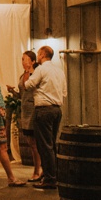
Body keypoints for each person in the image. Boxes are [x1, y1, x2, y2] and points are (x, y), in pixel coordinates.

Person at [24, 45, 66, 190]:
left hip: (43, 109)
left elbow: (29, 85)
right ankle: (54, 174)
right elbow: (64, 92)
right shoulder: (60, 72)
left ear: (42, 55)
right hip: (57, 109)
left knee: (44, 145)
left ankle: (49, 179)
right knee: (52, 144)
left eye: (38, 54)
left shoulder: (41, 69)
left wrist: (29, 72)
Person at [6, 50, 42, 183]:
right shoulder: (23, 75)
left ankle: (37, 170)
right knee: (30, 141)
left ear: (33, 61)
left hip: (33, 110)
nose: (23, 62)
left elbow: (31, 90)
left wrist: (28, 71)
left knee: (34, 143)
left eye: (25, 59)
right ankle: (38, 169)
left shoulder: (35, 74)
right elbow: (22, 95)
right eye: (21, 59)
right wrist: (13, 92)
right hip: (24, 111)